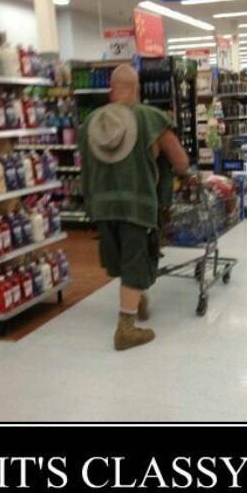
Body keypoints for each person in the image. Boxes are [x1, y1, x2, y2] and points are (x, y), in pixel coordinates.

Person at [78, 65, 189, 351]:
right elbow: (181, 163)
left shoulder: (90, 123)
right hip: (137, 205)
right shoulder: (151, 118)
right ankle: (125, 329)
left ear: (111, 90)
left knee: (121, 260)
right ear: (137, 89)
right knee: (136, 261)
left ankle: (134, 298)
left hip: (102, 205)